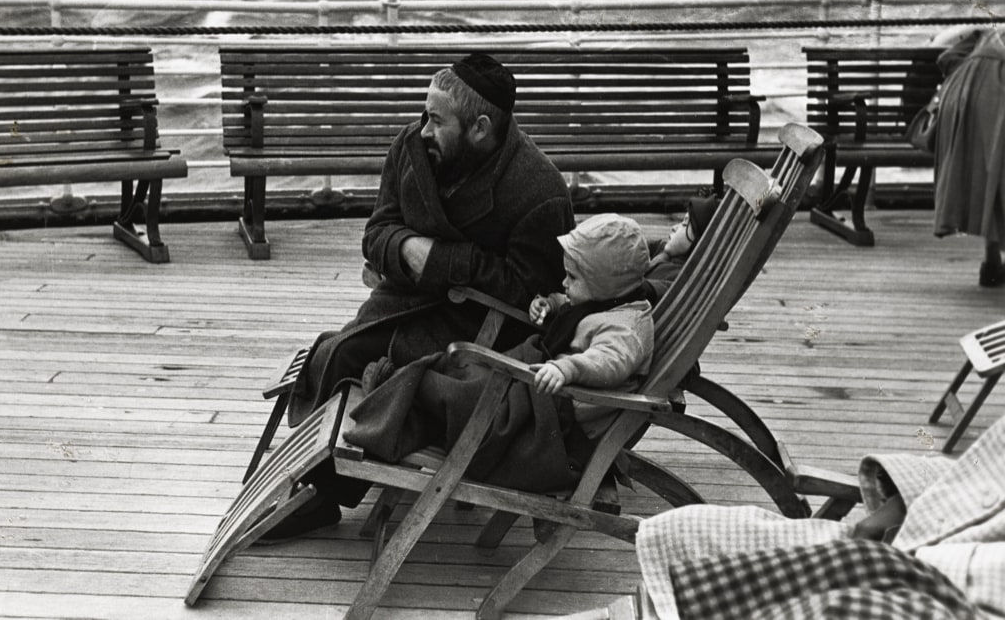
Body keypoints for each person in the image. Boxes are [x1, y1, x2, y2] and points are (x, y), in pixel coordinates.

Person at [260, 214, 653, 541]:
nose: (565, 285)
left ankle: (394, 404)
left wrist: (568, 367)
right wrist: (549, 304)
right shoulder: (604, 300)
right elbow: (570, 307)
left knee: (448, 387)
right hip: (530, 381)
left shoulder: (626, 327)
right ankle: (397, 398)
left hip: (542, 416)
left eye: (573, 278)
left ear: (605, 283)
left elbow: (610, 361)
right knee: (453, 373)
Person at [285, 52, 575, 427]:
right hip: (404, 301)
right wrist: (406, 248)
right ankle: (326, 473)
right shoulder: (412, 147)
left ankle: (331, 481)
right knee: (332, 353)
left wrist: (441, 260)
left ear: (480, 128)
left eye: (437, 121)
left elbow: (532, 298)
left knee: (344, 359)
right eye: (425, 115)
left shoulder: (540, 192)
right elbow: (376, 233)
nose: (423, 130)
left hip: (476, 330)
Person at [633, 411, 1005, 619]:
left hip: (958, 598)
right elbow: (979, 469)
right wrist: (898, 503)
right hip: (919, 544)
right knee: (702, 534)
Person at [930, 25, 1005, 287]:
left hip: (963, 102)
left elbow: (943, 56)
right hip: (995, 99)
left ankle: (992, 261)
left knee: (991, 177)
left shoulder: (987, 34)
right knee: (998, 178)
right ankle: (993, 262)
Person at [640, 195, 720, 303]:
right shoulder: (668, 254)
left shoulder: (685, 279)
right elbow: (638, 245)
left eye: (684, 224)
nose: (674, 227)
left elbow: (655, 290)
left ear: (701, 240)